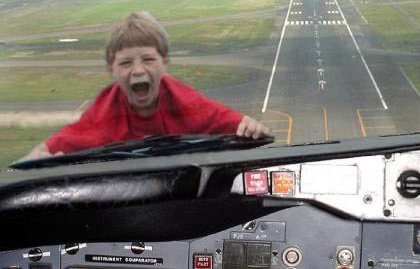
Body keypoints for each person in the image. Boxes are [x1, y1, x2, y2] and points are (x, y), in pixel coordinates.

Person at [23, 12, 271, 160]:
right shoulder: (102, 116)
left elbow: (237, 125)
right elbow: (52, 147)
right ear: (111, 69)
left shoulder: (186, 102)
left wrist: (251, 127)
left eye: (149, 60)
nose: (138, 70)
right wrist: (39, 155)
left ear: (165, 63)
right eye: (126, 63)